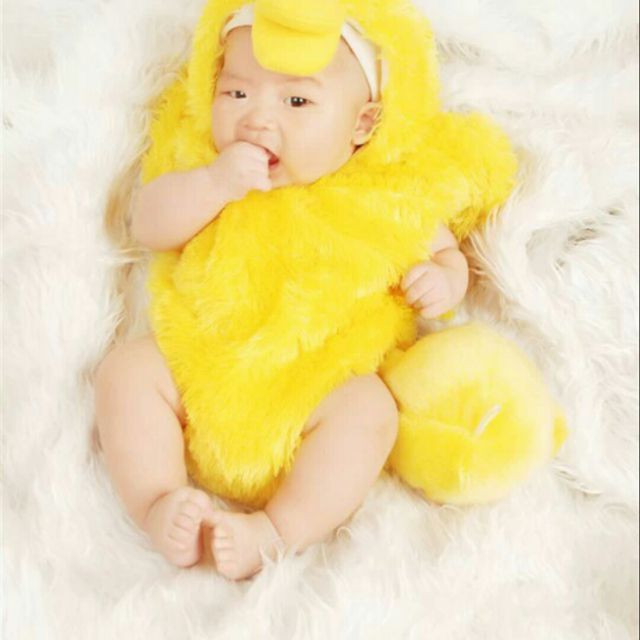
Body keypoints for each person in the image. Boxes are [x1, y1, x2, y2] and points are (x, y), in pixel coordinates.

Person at [95, 3, 469, 581]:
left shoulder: (379, 196)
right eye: (237, 93)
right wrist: (213, 184)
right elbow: (148, 224)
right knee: (126, 371)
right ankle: (157, 501)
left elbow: (445, 252)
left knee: (369, 411)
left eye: (296, 101)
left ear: (362, 125)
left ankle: (275, 531)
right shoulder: (206, 169)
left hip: (311, 395)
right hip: (199, 377)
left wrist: (444, 279)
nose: (257, 120)